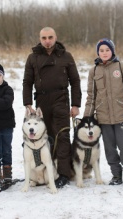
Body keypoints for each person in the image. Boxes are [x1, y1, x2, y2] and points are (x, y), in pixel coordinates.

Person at [22, 26, 82, 188]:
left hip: (61, 99)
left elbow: (75, 81)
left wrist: (76, 104)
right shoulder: (33, 57)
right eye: (44, 38)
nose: (47, 41)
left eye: (50, 37)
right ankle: (43, 173)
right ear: (40, 39)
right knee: (44, 138)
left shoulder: (66, 56)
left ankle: (63, 174)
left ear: (55, 38)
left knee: (62, 136)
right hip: (41, 100)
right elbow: (27, 82)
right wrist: (27, 103)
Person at [83, 38, 123, 188]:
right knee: (109, 149)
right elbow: (91, 96)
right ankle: (116, 175)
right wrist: (87, 116)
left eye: (107, 50)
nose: (104, 53)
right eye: (101, 50)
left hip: (122, 116)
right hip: (103, 118)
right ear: (98, 53)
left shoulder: (122, 67)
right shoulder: (93, 71)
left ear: (112, 51)